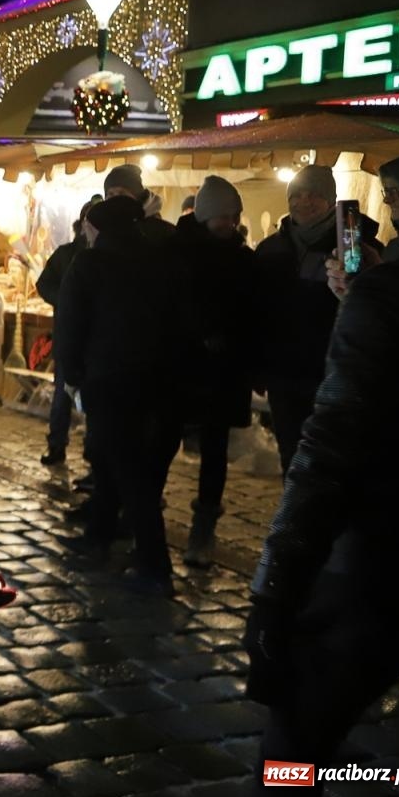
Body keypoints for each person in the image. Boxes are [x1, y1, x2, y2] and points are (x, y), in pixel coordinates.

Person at [245, 123, 399, 773]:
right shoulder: (292, 255)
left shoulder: (389, 286)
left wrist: (276, 588)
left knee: (294, 742)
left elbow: (330, 453)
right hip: (301, 382)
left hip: (384, 550)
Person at [55, 196, 187, 596]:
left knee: (129, 471)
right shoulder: (161, 259)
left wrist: (72, 375)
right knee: (114, 461)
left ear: (96, 228)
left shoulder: (91, 263)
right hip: (158, 380)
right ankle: (99, 534)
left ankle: (153, 565)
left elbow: (70, 322)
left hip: (108, 379)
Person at [254, 165, 379, 474]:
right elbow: (256, 311)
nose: (303, 201)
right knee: (291, 455)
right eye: (296, 195)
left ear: (331, 200)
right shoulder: (270, 249)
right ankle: (296, 518)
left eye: (314, 195)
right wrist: (257, 366)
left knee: (333, 458)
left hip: (333, 370)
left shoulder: (357, 245)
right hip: (284, 373)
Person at [174, 176, 257, 567]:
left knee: (214, 454)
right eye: (221, 215)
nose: (228, 222)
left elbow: (255, 314)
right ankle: (141, 517)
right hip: (180, 368)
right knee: (160, 443)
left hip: (224, 373)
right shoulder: (178, 253)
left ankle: (203, 529)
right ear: (205, 215)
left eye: (233, 215)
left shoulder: (244, 258)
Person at [34, 197, 96, 467]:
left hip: (96, 341)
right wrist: (64, 300)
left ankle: (93, 455)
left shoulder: (105, 256)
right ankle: (56, 445)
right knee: (62, 396)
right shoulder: (66, 254)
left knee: (94, 402)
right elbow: (44, 283)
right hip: (68, 336)